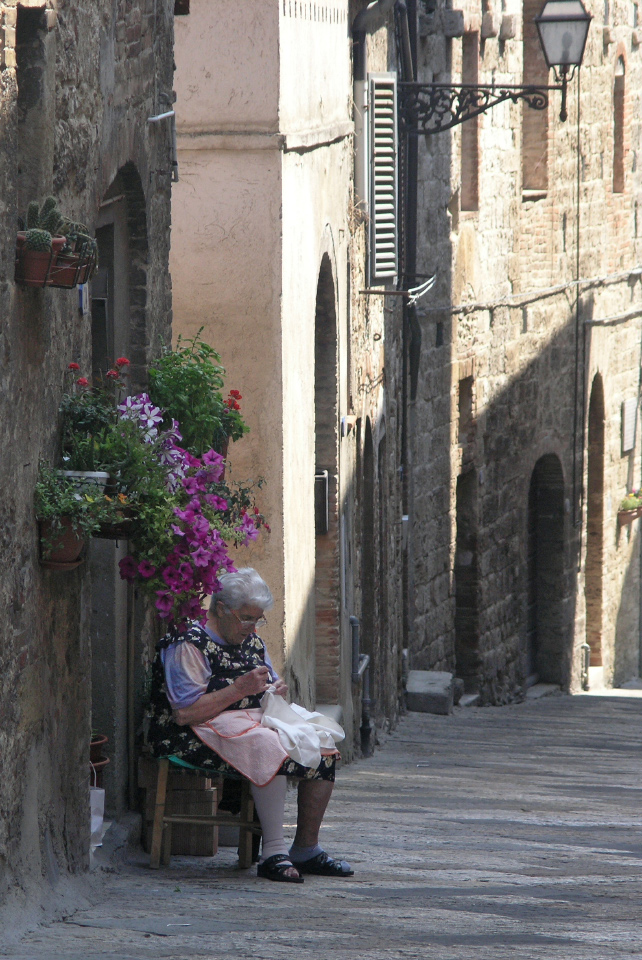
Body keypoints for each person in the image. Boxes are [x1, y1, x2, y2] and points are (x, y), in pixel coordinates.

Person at [147, 567, 353, 883]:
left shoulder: (250, 640)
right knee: (268, 745)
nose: (252, 627)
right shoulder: (188, 642)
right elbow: (185, 713)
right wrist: (240, 689)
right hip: (191, 734)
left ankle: (306, 849)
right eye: (246, 618)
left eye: (257, 619)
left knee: (321, 742)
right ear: (220, 608)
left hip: (244, 723)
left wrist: (274, 689)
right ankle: (273, 853)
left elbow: (268, 679)